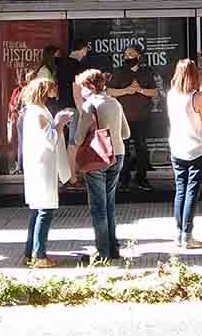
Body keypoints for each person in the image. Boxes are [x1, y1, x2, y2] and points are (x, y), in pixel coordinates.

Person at [73, 69, 131, 262]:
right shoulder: (115, 102)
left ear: (89, 86)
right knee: (109, 204)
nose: (81, 90)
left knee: (98, 206)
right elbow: (126, 133)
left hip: (97, 157)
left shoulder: (90, 106)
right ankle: (113, 248)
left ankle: (103, 253)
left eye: (82, 86)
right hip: (118, 154)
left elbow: (78, 137)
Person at [21, 77, 74, 268]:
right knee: (45, 209)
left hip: (40, 164)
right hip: (42, 166)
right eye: (52, 90)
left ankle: (30, 253)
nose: (55, 93)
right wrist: (60, 122)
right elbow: (50, 139)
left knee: (37, 210)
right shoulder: (38, 114)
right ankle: (40, 255)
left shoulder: (35, 111)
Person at [167, 59, 202, 249]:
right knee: (192, 190)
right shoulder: (198, 97)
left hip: (177, 146)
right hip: (196, 147)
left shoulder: (171, 94)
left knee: (180, 189)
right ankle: (187, 234)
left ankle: (179, 233)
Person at [108, 45, 156, 192]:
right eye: (125, 54)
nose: (127, 57)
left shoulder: (146, 72)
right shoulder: (119, 72)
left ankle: (141, 178)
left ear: (139, 56)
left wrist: (140, 89)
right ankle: (124, 179)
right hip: (123, 117)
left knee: (141, 147)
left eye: (131, 54)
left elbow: (153, 91)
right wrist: (126, 90)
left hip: (142, 117)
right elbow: (109, 91)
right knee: (124, 149)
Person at [57, 39, 90, 186]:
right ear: (82, 49)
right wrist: (82, 111)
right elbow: (76, 91)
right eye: (85, 51)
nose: (85, 54)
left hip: (61, 106)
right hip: (73, 107)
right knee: (74, 143)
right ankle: (72, 177)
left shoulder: (60, 64)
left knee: (65, 143)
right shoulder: (76, 66)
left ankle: (67, 174)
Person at [9, 67, 35, 174]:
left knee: (22, 143)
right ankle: (27, 166)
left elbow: (16, 105)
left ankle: (20, 166)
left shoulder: (23, 90)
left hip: (21, 117)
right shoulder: (34, 90)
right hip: (29, 117)